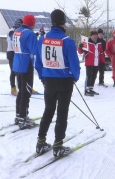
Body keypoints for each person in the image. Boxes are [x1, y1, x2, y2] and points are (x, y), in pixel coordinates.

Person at [35, 9, 80, 157]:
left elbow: (38, 63)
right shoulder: (67, 41)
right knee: (62, 113)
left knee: (48, 111)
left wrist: (43, 78)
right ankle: (58, 146)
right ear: (63, 22)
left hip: (49, 80)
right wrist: (75, 77)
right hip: (64, 81)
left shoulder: (42, 39)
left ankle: (41, 142)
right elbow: (74, 65)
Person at [12, 14, 37, 128]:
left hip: (17, 63)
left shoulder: (16, 31)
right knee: (26, 92)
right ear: (32, 23)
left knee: (21, 91)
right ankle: (23, 117)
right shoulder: (29, 33)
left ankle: (19, 115)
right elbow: (34, 50)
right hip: (26, 64)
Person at [78, 30, 105, 96]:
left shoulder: (99, 43)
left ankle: (91, 88)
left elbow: (101, 53)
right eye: (94, 35)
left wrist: (103, 61)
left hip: (96, 62)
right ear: (91, 36)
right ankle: (86, 90)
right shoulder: (87, 43)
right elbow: (80, 52)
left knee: (94, 76)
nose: (95, 36)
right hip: (89, 63)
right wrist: (80, 46)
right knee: (89, 76)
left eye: (96, 35)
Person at [6, 18, 23, 96]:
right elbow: (13, 39)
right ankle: (13, 88)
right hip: (11, 52)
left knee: (19, 71)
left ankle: (22, 87)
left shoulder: (18, 31)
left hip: (16, 52)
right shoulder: (11, 31)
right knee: (13, 71)